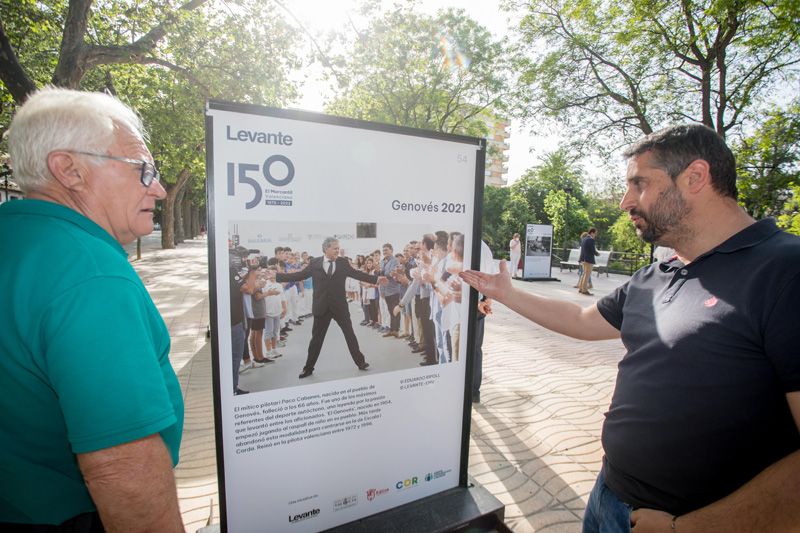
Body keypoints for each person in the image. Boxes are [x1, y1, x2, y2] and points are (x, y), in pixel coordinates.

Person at [461, 124, 800, 532]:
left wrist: (689, 527)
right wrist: (507, 293)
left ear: (695, 177)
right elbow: (582, 321)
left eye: (639, 184)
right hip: (608, 498)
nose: (625, 202)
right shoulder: (658, 272)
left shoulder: (785, 271)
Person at [0, 88, 185, 531]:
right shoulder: (91, 275)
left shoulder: (16, 241)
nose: (158, 189)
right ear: (69, 170)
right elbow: (121, 468)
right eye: (142, 169)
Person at [272, 237, 387, 378]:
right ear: (326, 248)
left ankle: (361, 363)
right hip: (321, 307)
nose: (337, 251)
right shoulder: (314, 263)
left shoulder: (343, 263)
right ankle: (308, 368)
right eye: (335, 249)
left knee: (350, 335)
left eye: (338, 249)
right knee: (316, 340)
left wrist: (376, 279)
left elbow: (357, 274)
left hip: (340, 307)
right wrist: (277, 276)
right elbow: (299, 275)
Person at [577, 227, 599, 295]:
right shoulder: (591, 240)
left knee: (584, 274)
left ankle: (580, 288)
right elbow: (592, 250)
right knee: (587, 275)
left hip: (583, 259)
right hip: (588, 260)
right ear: (592, 233)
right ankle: (584, 290)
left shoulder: (584, 239)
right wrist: (597, 253)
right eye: (595, 233)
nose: (595, 235)